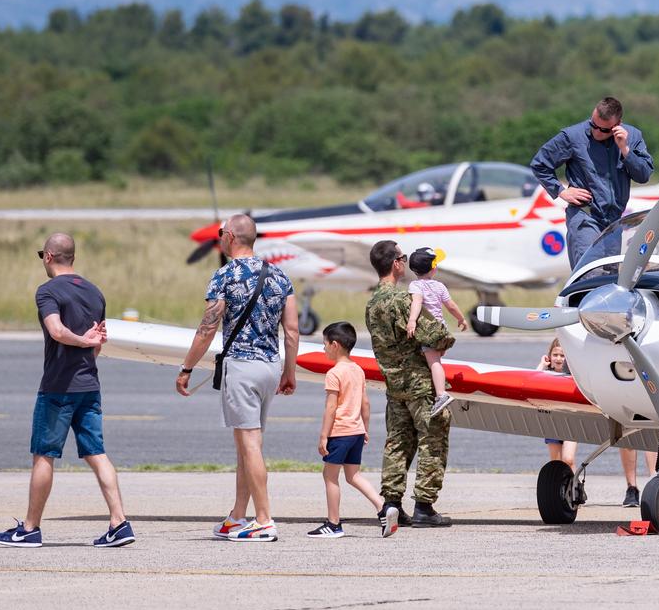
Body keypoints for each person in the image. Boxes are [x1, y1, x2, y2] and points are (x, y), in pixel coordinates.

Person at [0, 234, 134, 549]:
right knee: (97, 454)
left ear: (49, 256)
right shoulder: (95, 292)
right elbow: (98, 343)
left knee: (44, 454)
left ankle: (30, 528)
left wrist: (81, 341)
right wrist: (87, 345)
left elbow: (56, 330)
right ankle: (119, 522)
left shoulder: (48, 291)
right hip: (89, 385)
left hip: (58, 387)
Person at [176, 214, 297, 542]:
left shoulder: (224, 275)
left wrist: (187, 368)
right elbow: (292, 331)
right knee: (247, 443)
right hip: (271, 365)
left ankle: (264, 519)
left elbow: (208, 327)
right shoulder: (279, 275)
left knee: (250, 444)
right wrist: (289, 372)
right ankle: (238, 515)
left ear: (229, 236)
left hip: (241, 366)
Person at [364, 239, 455, 527]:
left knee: (397, 443)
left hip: (394, 384)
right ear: (396, 264)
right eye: (402, 257)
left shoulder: (372, 303)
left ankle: (391, 504)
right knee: (433, 439)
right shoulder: (404, 301)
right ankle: (424, 506)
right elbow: (436, 335)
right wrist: (446, 336)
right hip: (419, 383)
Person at [530, 96, 654, 269]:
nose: (596, 132)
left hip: (613, 223)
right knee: (589, 276)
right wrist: (561, 191)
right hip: (585, 217)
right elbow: (540, 164)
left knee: (608, 283)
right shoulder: (573, 136)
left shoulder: (632, 137)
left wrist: (625, 150)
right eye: (593, 125)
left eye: (603, 130)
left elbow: (644, 175)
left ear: (618, 125)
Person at [309, 322, 397, 538]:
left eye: (325, 344)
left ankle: (333, 523)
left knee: (330, 476)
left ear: (335, 345)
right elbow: (365, 404)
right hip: (356, 431)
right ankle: (383, 508)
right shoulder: (358, 370)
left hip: (340, 431)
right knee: (353, 475)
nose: (324, 348)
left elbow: (331, 408)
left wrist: (323, 435)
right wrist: (364, 429)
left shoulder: (334, 373)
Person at [405, 246, 467, 416]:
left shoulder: (416, 286)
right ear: (433, 267)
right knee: (436, 360)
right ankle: (438, 386)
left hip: (429, 331)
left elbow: (416, 304)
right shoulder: (439, 286)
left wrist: (411, 321)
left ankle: (441, 394)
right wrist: (461, 319)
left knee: (434, 363)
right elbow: (451, 306)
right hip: (442, 330)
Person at [539, 337, 577, 471]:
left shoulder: (573, 374)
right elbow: (533, 380)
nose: (559, 359)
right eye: (555, 355)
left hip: (571, 422)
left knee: (568, 459)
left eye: (562, 355)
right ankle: (559, 489)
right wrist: (542, 365)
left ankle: (575, 488)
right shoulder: (546, 373)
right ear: (549, 356)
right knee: (556, 463)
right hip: (552, 422)